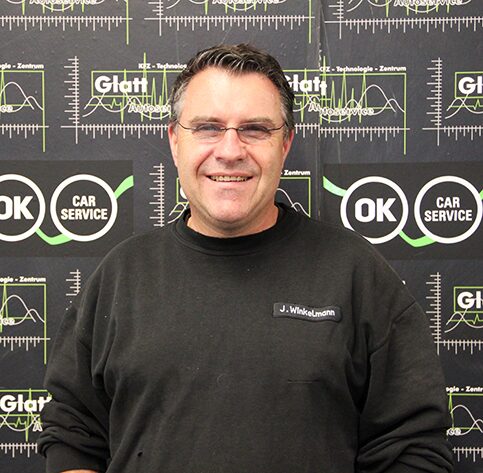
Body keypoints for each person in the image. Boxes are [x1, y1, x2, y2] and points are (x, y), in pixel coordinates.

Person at [38, 44, 453, 473]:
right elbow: (73, 432)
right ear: (175, 141)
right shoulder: (122, 276)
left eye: (255, 129)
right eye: (208, 128)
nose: (231, 150)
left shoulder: (355, 274)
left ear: (285, 143)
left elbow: (413, 448)